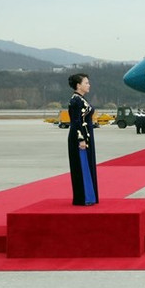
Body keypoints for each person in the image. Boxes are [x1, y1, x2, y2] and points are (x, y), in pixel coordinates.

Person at [67, 73, 98, 205]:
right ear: (78, 85)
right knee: (82, 166)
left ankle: (89, 196)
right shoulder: (76, 101)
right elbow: (75, 121)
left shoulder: (82, 99)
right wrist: (81, 139)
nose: (88, 85)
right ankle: (84, 197)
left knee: (87, 165)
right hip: (80, 138)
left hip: (87, 136)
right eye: (86, 83)